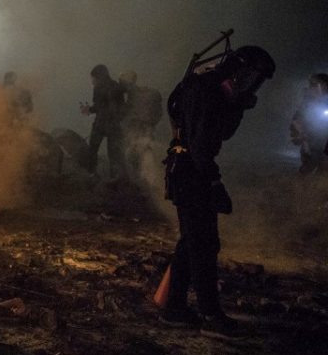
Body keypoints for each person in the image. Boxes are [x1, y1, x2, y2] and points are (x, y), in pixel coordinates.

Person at [159, 46, 275, 339]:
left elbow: (220, 134)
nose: (253, 84)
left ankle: (173, 308)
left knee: (193, 241)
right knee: (203, 245)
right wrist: (214, 183)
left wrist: (238, 106)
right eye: (252, 76)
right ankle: (210, 315)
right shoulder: (205, 91)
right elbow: (200, 145)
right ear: (238, 68)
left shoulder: (215, 90)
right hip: (190, 172)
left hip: (190, 170)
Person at [80, 64, 126, 180]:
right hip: (110, 124)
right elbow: (106, 106)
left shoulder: (105, 88)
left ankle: (95, 175)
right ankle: (112, 179)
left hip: (103, 124)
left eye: (94, 78)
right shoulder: (113, 86)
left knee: (96, 150)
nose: (92, 81)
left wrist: (89, 110)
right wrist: (90, 109)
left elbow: (102, 107)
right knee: (111, 153)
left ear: (99, 77)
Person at [119, 70, 163, 181]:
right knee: (137, 158)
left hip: (141, 134)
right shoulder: (146, 94)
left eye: (122, 83)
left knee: (144, 160)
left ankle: (149, 186)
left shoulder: (144, 95)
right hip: (141, 133)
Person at [289, 73, 328, 175]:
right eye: (313, 85)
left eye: (318, 85)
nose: (315, 88)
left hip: (322, 139)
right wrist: (298, 131)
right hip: (310, 139)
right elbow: (297, 118)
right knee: (310, 162)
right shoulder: (307, 101)